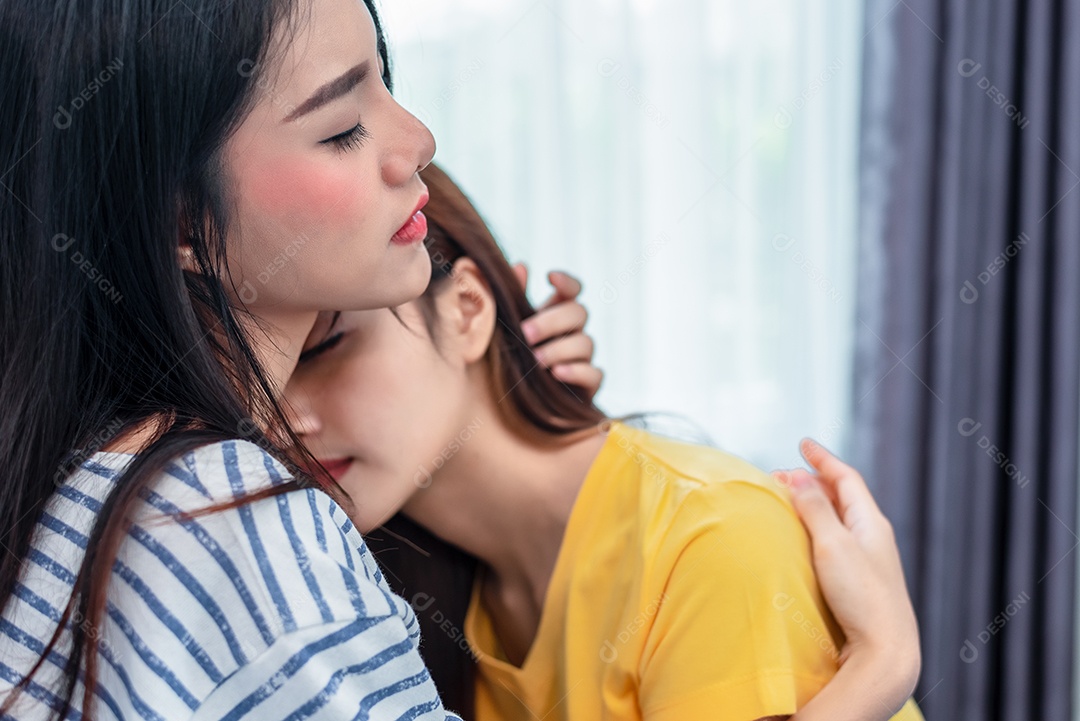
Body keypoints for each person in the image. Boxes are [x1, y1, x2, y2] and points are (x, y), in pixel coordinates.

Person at [283, 163, 925, 720]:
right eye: (252, 380)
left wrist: (885, 666)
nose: (283, 419)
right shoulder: (421, 599)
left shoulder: (710, 539)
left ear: (467, 310)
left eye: (323, 348)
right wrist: (881, 668)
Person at [0, 0, 476, 717]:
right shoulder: (234, 516)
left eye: (384, 78)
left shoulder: (83, 490)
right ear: (183, 221)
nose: (419, 140)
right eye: (342, 127)